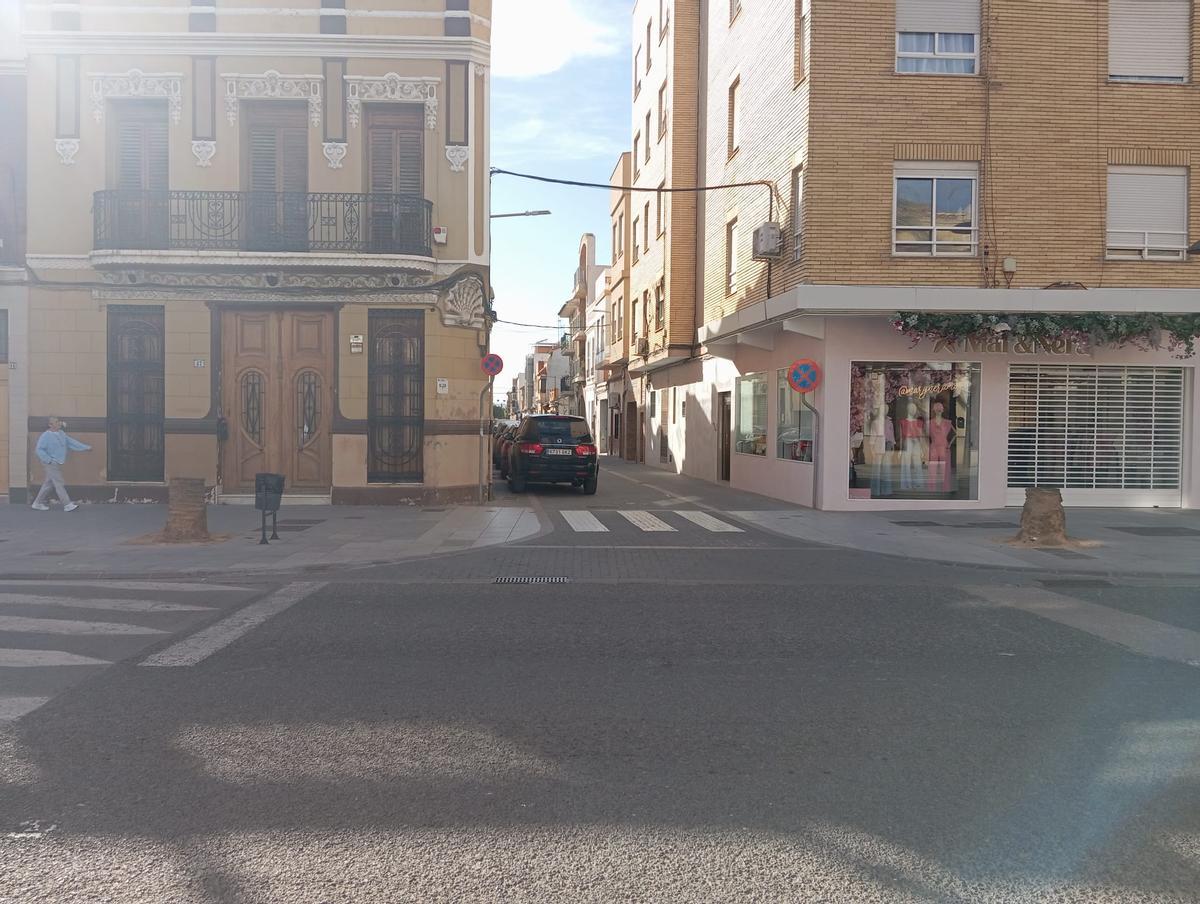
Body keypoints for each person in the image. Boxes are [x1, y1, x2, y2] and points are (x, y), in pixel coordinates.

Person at [32, 417, 91, 512]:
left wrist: (85, 447)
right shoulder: (46, 436)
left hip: (57, 462)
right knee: (59, 483)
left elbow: (71, 442)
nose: (59, 423)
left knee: (48, 483)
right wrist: (49, 460)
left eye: (59, 421)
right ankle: (67, 504)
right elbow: (39, 449)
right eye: (56, 422)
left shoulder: (61, 434)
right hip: (50, 463)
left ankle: (37, 503)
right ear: (50, 425)